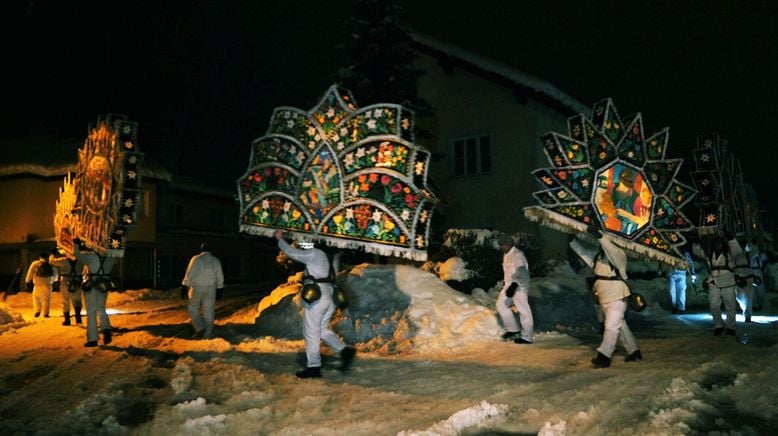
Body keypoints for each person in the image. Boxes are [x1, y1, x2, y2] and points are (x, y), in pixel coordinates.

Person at [274, 230, 355, 378]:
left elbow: (292, 253)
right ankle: (344, 350)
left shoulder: (315, 253)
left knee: (311, 332)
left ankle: (314, 367)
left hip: (317, 295)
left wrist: (280, 239)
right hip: (331, 294)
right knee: (322, 329)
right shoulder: (334, 257)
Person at [570, 229, 641, 368]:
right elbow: (585, 254)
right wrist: (573, 242)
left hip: (617, 296)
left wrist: (602, 237)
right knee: (620, 325)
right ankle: (634, 351)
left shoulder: (619, 255)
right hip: (605, 296)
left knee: (611, 326)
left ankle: (604, 356)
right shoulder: (599, 257)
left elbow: (611, 250)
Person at [693, 236, 743, 335]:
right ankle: (718, 325)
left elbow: (738, 251)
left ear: (723, 244)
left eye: (719, 243)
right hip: (713, 280)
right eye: (715, 243)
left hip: (728, 280)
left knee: (730, 304)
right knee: (713, 303)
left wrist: (731, 239)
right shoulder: (710, 254)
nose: (717, 245)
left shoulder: (730, 254)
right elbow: (698, 252)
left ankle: (730, 326)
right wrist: (696, 242)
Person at [74, 240, 117, 347]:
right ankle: (106, 329)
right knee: (101, 309)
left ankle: (93, 339)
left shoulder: (90, 256)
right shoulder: (110, 258)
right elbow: (117, 255)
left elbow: (76, 254)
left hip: (92, 285)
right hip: (104, 285)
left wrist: (76, 244)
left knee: (91, 312)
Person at [495, 233, 534, 344]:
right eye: (500, 245)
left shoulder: (518, 255)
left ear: (508, 244)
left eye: (502, 245)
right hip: (509, 286)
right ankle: (513, 329)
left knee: (523, 310)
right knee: (501, 304)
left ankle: (527, 337)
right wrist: (507, 285)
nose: (500, 247)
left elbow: (521, 272)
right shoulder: (506, 255)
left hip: (520, 286)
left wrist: (514, 285)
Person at [181, 242, 224, 339]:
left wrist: (184, 285)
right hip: (211, 288)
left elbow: (189, 273)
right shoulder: (215, 260)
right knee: (209, 310)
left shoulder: (196, 259)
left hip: (197, 287)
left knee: (193, 307)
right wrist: (220, 288)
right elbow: (220, 275)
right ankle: (208, 332)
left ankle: (199, 328)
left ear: (201, 249)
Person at [49, 248, 84, 326]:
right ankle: (78, 318)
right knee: (77, 299)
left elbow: (52, 261)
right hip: (77, 281)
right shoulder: (80, 261)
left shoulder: (64, 260)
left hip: (65, 281)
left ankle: (67, 319)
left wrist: (52, 254)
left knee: (65, 300)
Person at [24, 252, 56, 318]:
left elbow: (30, 272)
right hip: (48, 285)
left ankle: (37, 311)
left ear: (40, 257)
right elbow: (56, 275)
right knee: (46, 299)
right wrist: (52, 281)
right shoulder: (51, 263)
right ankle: (45, 313)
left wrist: (27, 281)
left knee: (36, 298)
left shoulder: (35, 263)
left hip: (37, 284)